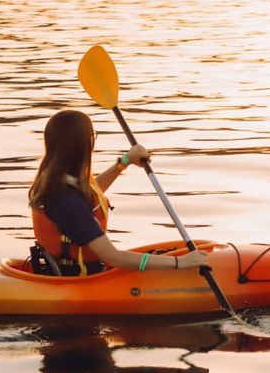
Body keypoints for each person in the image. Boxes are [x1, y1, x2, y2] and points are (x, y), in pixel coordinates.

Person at [29, 109, 210, 276]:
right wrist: (179, 262)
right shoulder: (68, 203)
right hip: (81, 279)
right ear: (83, 145)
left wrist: (124, 162)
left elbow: (92, 192)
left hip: (69, 271)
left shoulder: (54, 183)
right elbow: (113, 257)